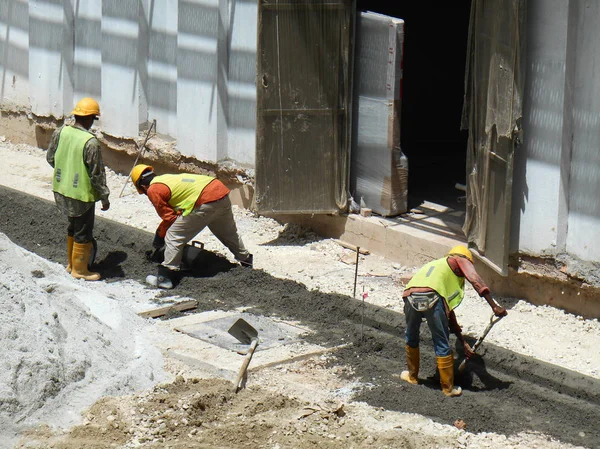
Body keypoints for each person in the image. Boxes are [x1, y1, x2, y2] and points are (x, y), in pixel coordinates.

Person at [400, 245, 507, 397]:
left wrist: (462, 342)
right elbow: (475, 280)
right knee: (441, 341)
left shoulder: (437, 266)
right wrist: (494, 306)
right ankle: (448, 388)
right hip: (432, 297)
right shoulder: (459, 259)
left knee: (411, 336)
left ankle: (412, 377)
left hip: (410, 296)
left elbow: (448, 313)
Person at [130, 164, 253, 289]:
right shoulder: (166, 179)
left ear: (143, 186)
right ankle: (246, 261)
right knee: (228, 233)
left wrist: (160, 235)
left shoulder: (153, 189)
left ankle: (165, 277)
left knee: (173, 235)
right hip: (220, 193)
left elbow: (169, 218)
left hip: (204, 200)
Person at [47, 97, 110, 281]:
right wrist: (104, 197)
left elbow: (51, 158)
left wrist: (66, 174)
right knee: (83, 230)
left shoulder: (60, 132)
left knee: (72, 226)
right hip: (81, 195)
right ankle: (80, 270)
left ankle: (70, 264)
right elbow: (96, 175)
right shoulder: (91, 143)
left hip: (61, 190)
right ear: (90, 118)